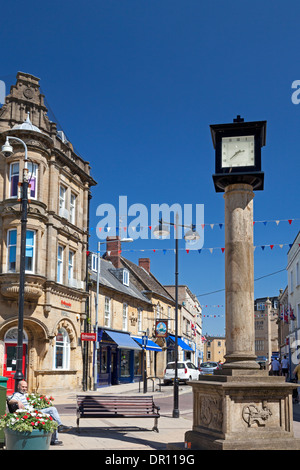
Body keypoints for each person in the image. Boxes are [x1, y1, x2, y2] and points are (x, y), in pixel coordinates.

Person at [9, 380, 72, 446]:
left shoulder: (22, 394)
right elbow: (11, 401)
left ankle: (56, 435)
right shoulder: (17, 395)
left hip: (33, 410)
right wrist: (18, 401)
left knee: (53, 415)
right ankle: (59, 428)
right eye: (23, 387)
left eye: (26, 387)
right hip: (31, 413)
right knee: (52, 410)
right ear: (18, 386)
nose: (24, 388)